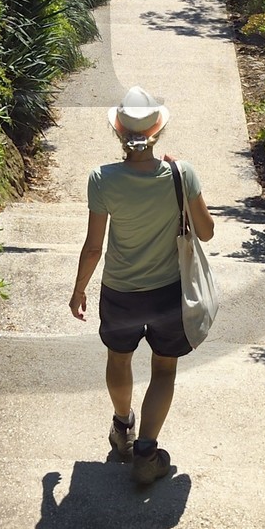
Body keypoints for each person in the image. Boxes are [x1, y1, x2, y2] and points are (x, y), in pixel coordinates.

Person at [68, 85, 214, 487]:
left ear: (118, 131)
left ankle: (122, 428)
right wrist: (183, 185)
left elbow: (94, 247)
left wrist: (79, 290)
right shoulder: (181, 174)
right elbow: (206, 232)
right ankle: (147, 453)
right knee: (164, 368)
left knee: (119, 359)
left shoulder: (102, 179)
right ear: (157, 131)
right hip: (169, 291)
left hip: (120, 293)